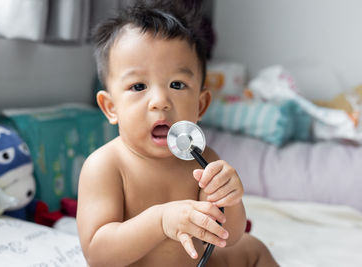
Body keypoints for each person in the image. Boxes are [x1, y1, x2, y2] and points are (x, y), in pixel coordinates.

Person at [77, 1, 278, 266]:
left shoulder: (203, 159)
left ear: (201, 105)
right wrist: (160, 221)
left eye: (177, 84)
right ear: (111, 107)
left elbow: (229, 237)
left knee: (253, 249)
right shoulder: (105, 166)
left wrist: (231, 198)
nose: (160, 101)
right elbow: (98, 254)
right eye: (138, 86)